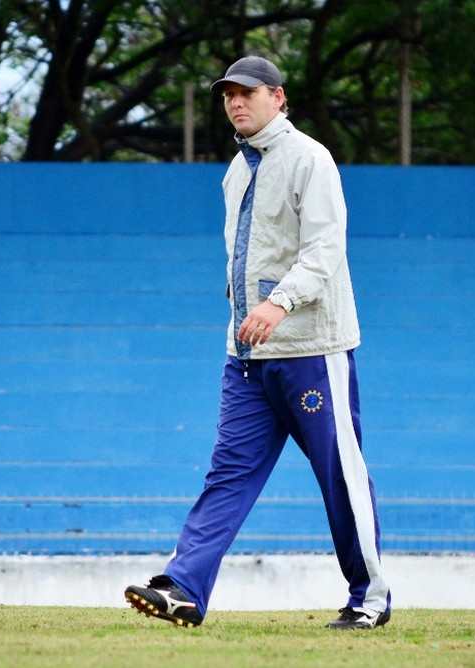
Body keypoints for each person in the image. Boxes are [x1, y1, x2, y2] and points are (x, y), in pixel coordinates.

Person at [124, 56, 391, 630]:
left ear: (278, 97)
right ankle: (184, 587)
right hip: (247, 359)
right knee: (226, 473)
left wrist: (280, 302)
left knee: (341, 476)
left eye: (247, 93)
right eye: (227, 95)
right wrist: (244, 320)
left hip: (312, 352)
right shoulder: (236, 170)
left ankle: (368, 597)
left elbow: (326, 249)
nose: (236, 103)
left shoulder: (310, 159)